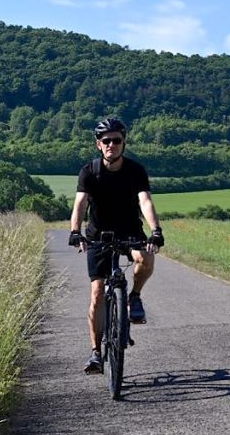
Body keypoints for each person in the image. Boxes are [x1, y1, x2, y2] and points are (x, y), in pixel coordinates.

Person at [68, 117, 165, 374]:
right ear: (98, 144)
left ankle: (134, 297)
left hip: (130, 229)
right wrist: (75, 231)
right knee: (97, 293)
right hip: (98, 234)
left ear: (124, 142)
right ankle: (96, 353)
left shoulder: (135, 171)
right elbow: (80, 204)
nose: (111, 145)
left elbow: (145, 201)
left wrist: (155, 230)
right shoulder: (89, 171)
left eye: (116, 140)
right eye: (106, 141)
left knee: (145, 258)